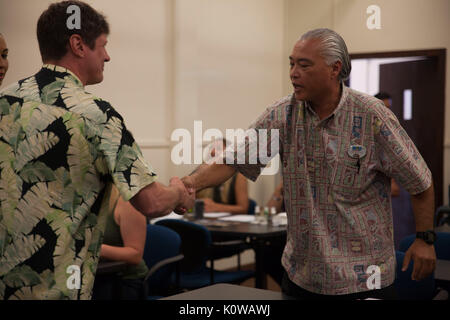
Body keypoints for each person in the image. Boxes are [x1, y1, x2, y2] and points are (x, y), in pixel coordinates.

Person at [182, 28, 436, 300]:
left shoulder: (372, 116)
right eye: (291, 63)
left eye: (304, 65)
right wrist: (187, 185)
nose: (293, 72)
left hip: (363, 279)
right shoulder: (282, 114)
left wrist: (425, 239)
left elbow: (419, 180)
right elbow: (233, 161)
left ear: (334, 69)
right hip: (303, 277)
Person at [0, 1, 193, 300]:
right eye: (102, 45)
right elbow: (152, 202)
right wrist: (179, 191)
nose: (107, 55)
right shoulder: (96, 115)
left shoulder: (5, 100)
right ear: (78, 44)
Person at [92, 188, 149, 300]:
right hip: (98, 275)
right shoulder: (87, 201)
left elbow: (135, 255)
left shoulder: (127, 201)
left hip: (125, 281)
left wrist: (96, 249)